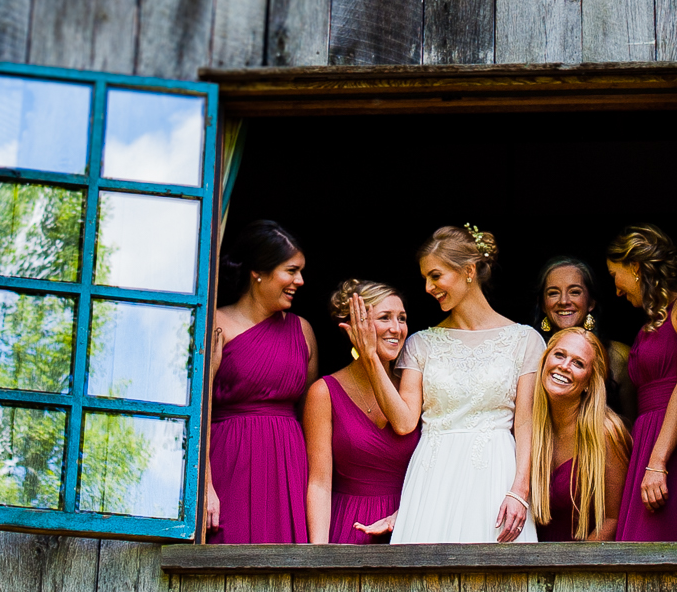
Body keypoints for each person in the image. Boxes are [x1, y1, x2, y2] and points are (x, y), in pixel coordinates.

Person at [389, 223, 545, 544]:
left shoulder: (524, 340)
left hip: (494, 469)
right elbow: (405, 420)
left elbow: (527, 423)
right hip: (433, 472)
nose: (429, 288)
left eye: (436, 276)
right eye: (425, 279)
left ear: (469, 270)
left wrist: (520, 489)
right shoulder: (421, 344)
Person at [203, 219, 316, 543]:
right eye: (291, 270)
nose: (300, 280)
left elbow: (310, 416)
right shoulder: (215, 323)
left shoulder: (303, 331)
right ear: (259, 272)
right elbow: (196, 411)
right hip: (228, 461)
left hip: (287, 466)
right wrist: (205, 486)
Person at [306, 279, 420, 544]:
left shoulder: (412, 387)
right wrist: (317, 555)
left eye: (402, 318)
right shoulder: (324, 392)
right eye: (385, 318)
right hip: (349, 525)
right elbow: (319, 484)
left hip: (408, 524)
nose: (397, 328)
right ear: (355, 327)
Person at [609, 223, 677, 541]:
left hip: (673, 445)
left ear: (635, 267)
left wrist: (657, 462)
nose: (616, 290)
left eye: (614, 275)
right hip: (646, 442)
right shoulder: (648, 324)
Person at [525, 327, 628, 540]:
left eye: (578, 363)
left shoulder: (606, 433)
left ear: (590, 383)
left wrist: (574, 569)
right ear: (545, 360)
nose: (564, 366)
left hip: (581, 566)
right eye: (559, 355)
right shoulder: (527, 426)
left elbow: (613, 519)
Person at [536, 255, 634, 423]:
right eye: (553, 293)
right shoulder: (532, 352)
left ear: (591, 302)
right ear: (543, 304)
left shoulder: (618, 356)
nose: (564, 301)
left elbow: (632, 424)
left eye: (575, 292)